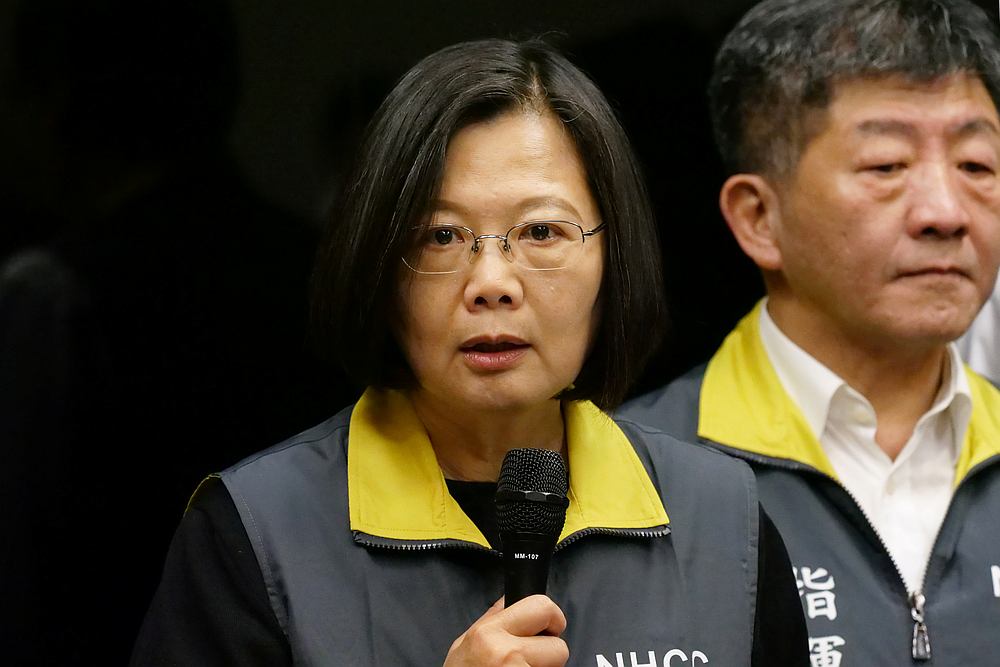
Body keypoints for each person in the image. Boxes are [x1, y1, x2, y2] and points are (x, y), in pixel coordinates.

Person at [131, 38, 807, 665]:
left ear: (614, 259)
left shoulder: (723, 523)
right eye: (441, 236)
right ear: (379, 268)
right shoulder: (254, 535)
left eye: (541, 230)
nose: (491, 284)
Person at [621, 1, 1000, 664]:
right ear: (758, 218)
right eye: (886, 166)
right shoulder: (634, 477)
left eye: (976, 166)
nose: (946, 212)